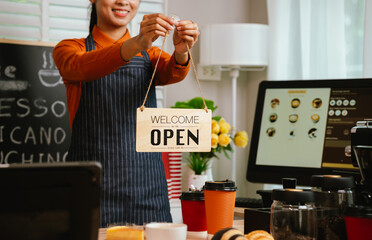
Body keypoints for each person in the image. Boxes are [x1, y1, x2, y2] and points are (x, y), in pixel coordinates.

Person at [53, 0, 199, 227]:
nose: (123, 1)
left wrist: (181, 51)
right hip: (92, 193)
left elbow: (173, 72)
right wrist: (138, 42)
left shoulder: (150, 54)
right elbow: (83, 66)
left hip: (148, 192)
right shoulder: (70, 49)